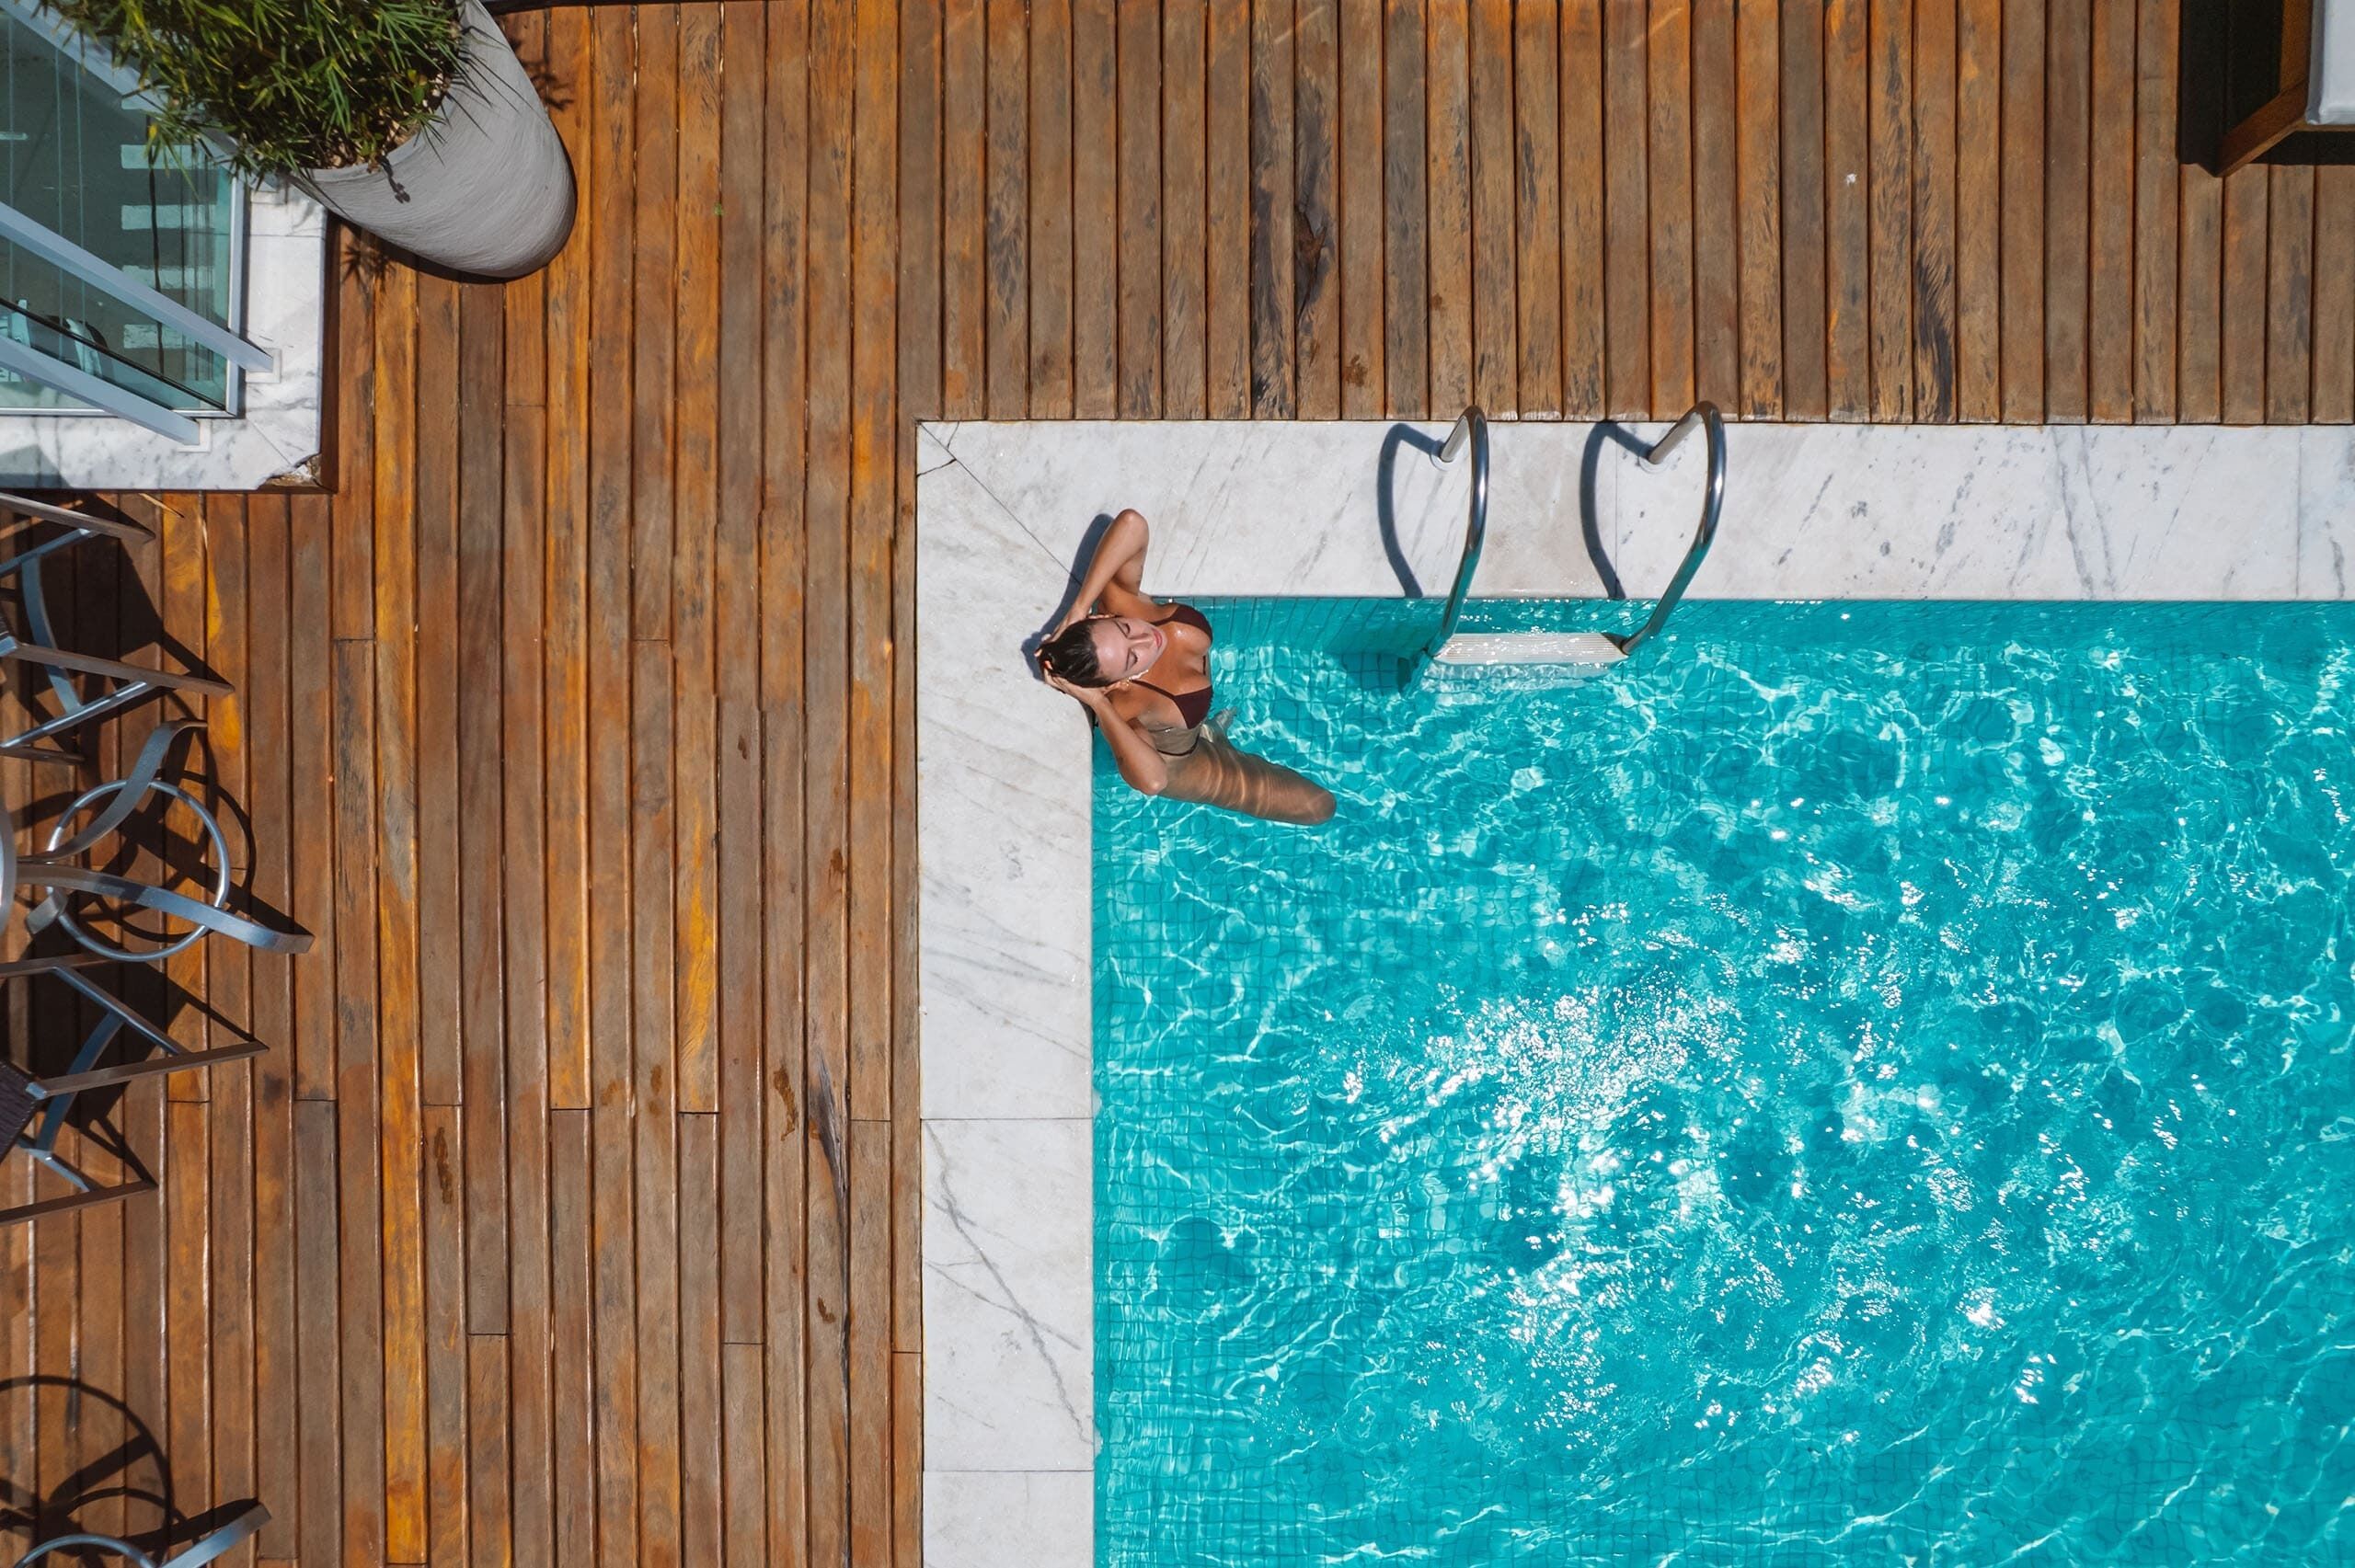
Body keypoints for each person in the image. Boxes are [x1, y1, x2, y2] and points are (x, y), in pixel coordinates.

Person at [1036, 509, 1337, 826]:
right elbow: (1154, 780)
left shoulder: (1120, 601)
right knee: (1320, 808)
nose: (1146, 640)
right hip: (1184, 761)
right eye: (1131, 659)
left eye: (1126, 629)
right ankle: (1214, 735)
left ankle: (1214, 732)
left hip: (1191, 722)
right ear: (1118, 683)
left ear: (1103, 616)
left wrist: (1079, 606)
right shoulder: (1129, 704)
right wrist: (1098, 702)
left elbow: (1133, 524)